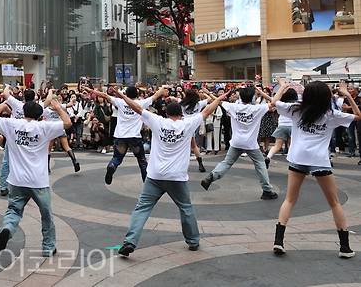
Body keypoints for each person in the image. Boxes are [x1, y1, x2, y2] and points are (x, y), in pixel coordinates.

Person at [114, 88, 229, 257]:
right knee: (186, 208)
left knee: (142, 208)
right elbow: (206, 111)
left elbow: (137, 108)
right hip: (177, 177)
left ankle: (129, 242)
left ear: (167, 114)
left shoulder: (157, 121)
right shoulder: (187, 124)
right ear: (180, 114)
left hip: (154, 175)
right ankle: (193, 241)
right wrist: (219, 98)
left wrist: (123, 96)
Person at [271, 80, 359, 258]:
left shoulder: (295, 109)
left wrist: (282, 87)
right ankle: (345, 247)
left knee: (289, 199)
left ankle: (278, 241)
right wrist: (347, 94)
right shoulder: (331, 114)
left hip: (297, 158)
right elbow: (358, 116)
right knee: (334, 202)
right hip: (319, 161)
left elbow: (273, 104)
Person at [0, 98, 72, 257]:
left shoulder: (12, 124)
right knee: (46, 214)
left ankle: (7, 228)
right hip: (38, 181)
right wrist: (58, 108)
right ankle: (48, 247)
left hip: (16, 180)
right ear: (40, 115)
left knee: (14, 210)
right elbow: (67, 123)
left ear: (24, 112)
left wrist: (2, 106)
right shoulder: (44, 126)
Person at [201, 86, 278, 200]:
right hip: (251, 143)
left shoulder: (233, 106)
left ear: (240, 97)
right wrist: (262, 92)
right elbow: (274, 102)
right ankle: (267, 190)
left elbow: (218, 101)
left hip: (236, 142)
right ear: (252, 97)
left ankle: (212, 176)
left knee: (227, 162)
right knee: (260, 164)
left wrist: (209, 93)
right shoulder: (257, 108)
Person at [82, 85, 165, 185]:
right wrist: (163, 88)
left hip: (120, 136)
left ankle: (112, 166)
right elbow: (155, 96)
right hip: (134, 137)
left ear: (126, 94)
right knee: (142, 161)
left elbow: (104, 95)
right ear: (137, 94)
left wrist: (90, 90)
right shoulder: (141, 103)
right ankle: (147, 184)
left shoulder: (120, 102)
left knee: (117, 158)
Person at [41, 90, 80, 173]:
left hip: (51, 129)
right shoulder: (60, 107)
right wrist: (72, 100)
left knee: (48, 149)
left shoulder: (46, 110)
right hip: (60, 127)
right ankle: (74, 161)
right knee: (67, 147)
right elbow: (69, 105)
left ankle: (47, 168)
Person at [265, 87, 298, 169]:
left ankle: (268, 157)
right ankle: (292, 164)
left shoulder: (280, 104)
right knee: (292, 146)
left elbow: (270, 99)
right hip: (292, 126)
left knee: (277, 146)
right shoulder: (297, 105)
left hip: (282, 125)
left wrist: (260, 91)